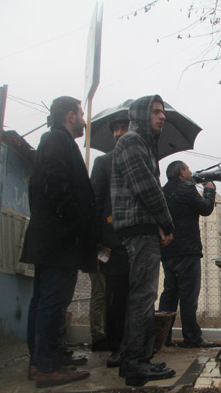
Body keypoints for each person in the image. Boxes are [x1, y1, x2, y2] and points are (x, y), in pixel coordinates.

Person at [21, 96, 97, 388]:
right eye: (81, 114)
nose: (84, 121)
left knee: (43, 301)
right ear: (70, 116)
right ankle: (48, 367)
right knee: (52, 303)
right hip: (59, 240)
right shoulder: (56, 140)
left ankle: (39, 361)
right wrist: (76, 224)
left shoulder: (54, 141)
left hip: (51, 239)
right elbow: (58, 187)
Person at [110, 95, 176, 386]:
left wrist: (157, 224)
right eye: (156, 112)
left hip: (142, 227)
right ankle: (135, 363)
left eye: (163, 112)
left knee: (143, 296)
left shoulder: (142, 145)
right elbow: (147, 188)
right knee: (143, 297)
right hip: (138, 229)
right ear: (140, 114)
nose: (162, 117)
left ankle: (138, 358)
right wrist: (166, 222)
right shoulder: (132, 141)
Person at [158, 161, 218, 348]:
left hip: (168, 252)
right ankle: (192, 338)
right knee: (188, 296)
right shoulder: (187, 188)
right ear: (181, 171)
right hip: (188, 252)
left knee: (169, 295)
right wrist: (209, 190)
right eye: (188, 169)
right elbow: (206, 208)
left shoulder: (162, 191)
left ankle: (163, 337)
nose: (191, 172)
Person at [90, 111, 130, 367]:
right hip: (111, 243)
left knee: (138, 295)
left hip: (137, 240)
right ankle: (116, 347)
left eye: (123, 128)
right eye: (115, 129)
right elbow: (95, 202)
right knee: (114, 296)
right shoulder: (103, 162)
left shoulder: (143, 160)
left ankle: (136, 345)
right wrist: (98, 239)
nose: (118, 133)